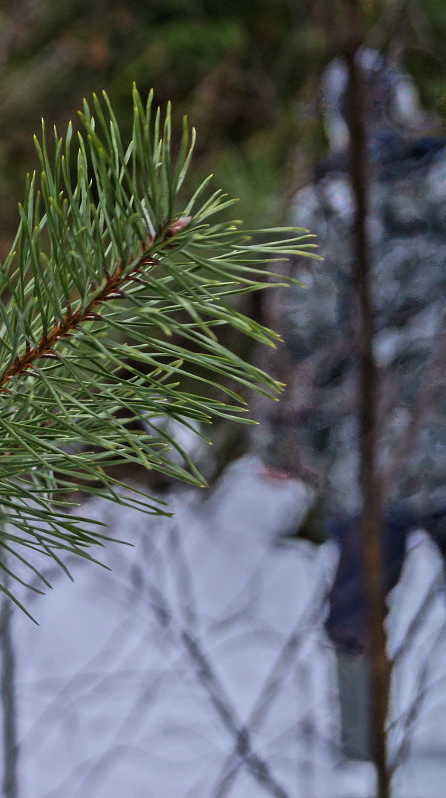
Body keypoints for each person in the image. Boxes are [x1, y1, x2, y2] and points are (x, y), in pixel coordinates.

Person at [265, 49, 446, 760]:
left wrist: (283, 436)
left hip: (372, 450)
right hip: (414, 436)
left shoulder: (327, 208)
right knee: (356, 598)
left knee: (355, 604)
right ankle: (360, 750)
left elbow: (301, 331)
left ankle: (360, 745)